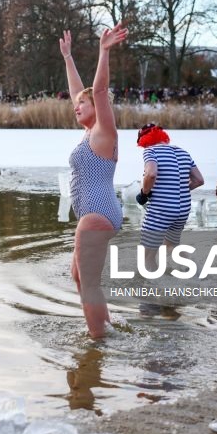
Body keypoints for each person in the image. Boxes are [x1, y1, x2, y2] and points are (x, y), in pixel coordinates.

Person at [60, 22, 127, 338]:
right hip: (97, 213)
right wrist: (68, 57)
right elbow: (80, 92)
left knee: (88, 283)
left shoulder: (104, 132)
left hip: (98, 215)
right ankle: (107, 329)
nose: (76, 107)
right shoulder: (89, 133)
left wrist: (103, 52)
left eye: (81, 105)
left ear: (97, 108)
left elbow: (97, 91)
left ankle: (97, 343)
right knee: (79, 275)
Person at [134, 124, 204, 267]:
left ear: (144, 140)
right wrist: (179, 190)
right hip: (182, 210)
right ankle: (196, 273)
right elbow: (199, 180)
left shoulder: (150, 151)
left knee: (146, 255)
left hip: (161, 210)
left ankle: (151, 286)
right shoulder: (183, 152)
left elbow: (151, 173)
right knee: (171, 246)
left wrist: (144, 193)